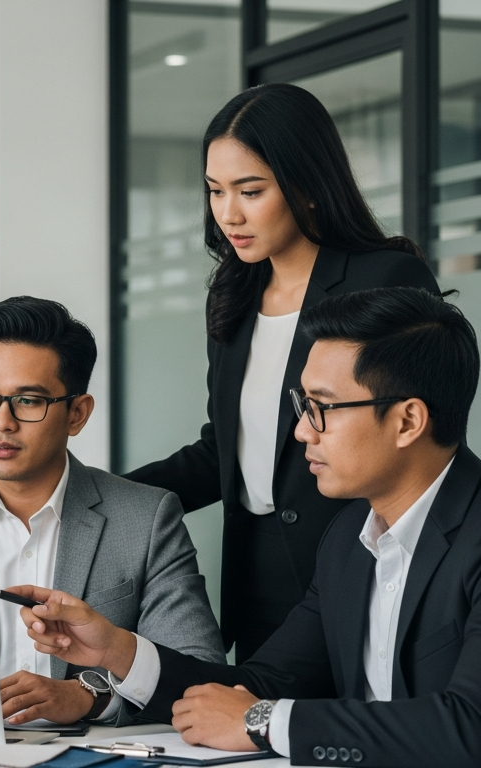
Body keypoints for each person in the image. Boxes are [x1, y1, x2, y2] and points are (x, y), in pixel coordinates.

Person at [11, 287, 481, 767]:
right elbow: (253, 686)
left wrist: (262, 723)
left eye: (322, 409)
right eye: (301, 407)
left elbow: (473, 731)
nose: (302, 431)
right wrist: (119, 651)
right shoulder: (349, 537)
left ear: (408, 420)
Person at [124, 83, 440, 661]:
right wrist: (101, 497)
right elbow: (224, 451)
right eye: (215, 191)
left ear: (307, 185)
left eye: (250, 191)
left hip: (360, 563)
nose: (228, 214)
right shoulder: (234, 292)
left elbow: (416, 440)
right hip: (254, 577)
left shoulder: (385, 277)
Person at [0, 297, 223, 726]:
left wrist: (89, 696)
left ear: (77, 413)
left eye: (29, 401)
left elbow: (201, 673)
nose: (1, 422)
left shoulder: (146, 517)